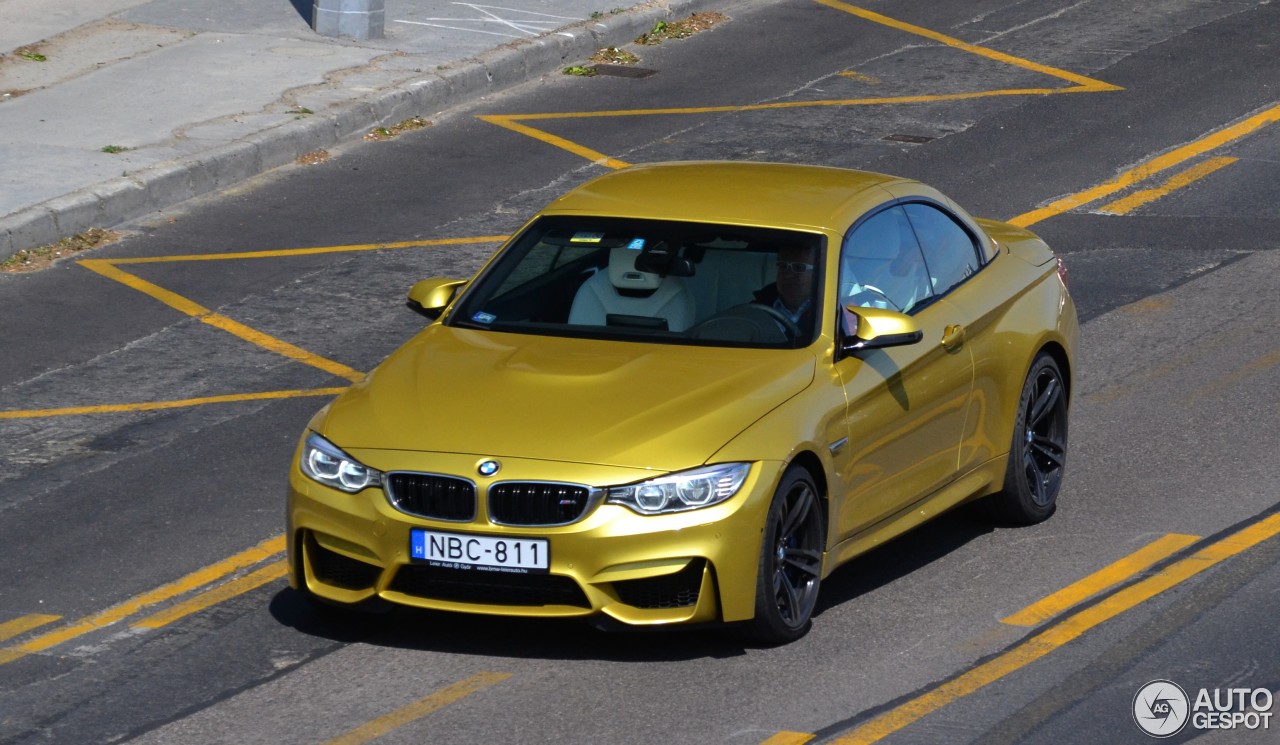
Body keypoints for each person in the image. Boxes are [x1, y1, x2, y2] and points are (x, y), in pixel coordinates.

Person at [753, 244, 818, 333]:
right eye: (782, 266)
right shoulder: (755, 311)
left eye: (798, 267)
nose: (788, 275)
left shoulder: (830, 314)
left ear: (818, 273)